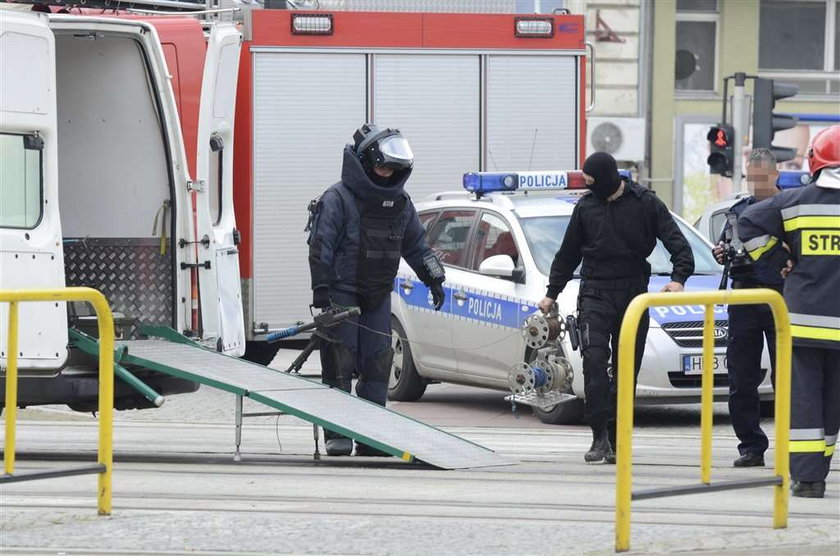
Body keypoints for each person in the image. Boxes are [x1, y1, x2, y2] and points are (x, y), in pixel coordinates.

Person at [537, 152, 695, 463]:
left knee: (626, 370)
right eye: (588, 184)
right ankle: (599, 438)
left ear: (611, 179)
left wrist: (679, 279)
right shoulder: (585, 207)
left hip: (633, 293)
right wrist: (551, 293)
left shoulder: (646, 203)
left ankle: (619, 437)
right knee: (594, 363)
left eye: (594, 183)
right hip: (595, 292)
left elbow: (678, 243)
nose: (590, 188)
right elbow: (567, 254)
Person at [307, 124, 446, 457]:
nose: (387, 174)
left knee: (378, 363)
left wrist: (434, 279)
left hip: (377, 294)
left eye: (392, 169)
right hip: (342, 292)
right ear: (365, 164)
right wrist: (321, 292)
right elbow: (320, 246)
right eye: (382, 166)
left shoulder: (400, 203)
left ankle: (372, 435)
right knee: (339, 362)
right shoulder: (337, 199)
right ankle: (336, 433)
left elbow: (417, 246)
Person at [738, 125, 840, 498]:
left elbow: (747, 223)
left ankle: (808, 478)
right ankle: (820, 464)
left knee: (805, 398)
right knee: (832, 401)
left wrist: (779, 258)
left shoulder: (795, 201)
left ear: (815, 161)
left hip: (805, 321)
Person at [712, 148, 781, 468]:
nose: (755, 183)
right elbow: (729, 246)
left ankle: (796, 444)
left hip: (782, 300)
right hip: (743, 300)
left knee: (789, 377)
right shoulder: (738, 212)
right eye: (750, 177)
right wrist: (722, 253)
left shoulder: (790, 207)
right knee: (741, 378)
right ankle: (751, 446)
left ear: (775, 174)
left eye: (761, 177)